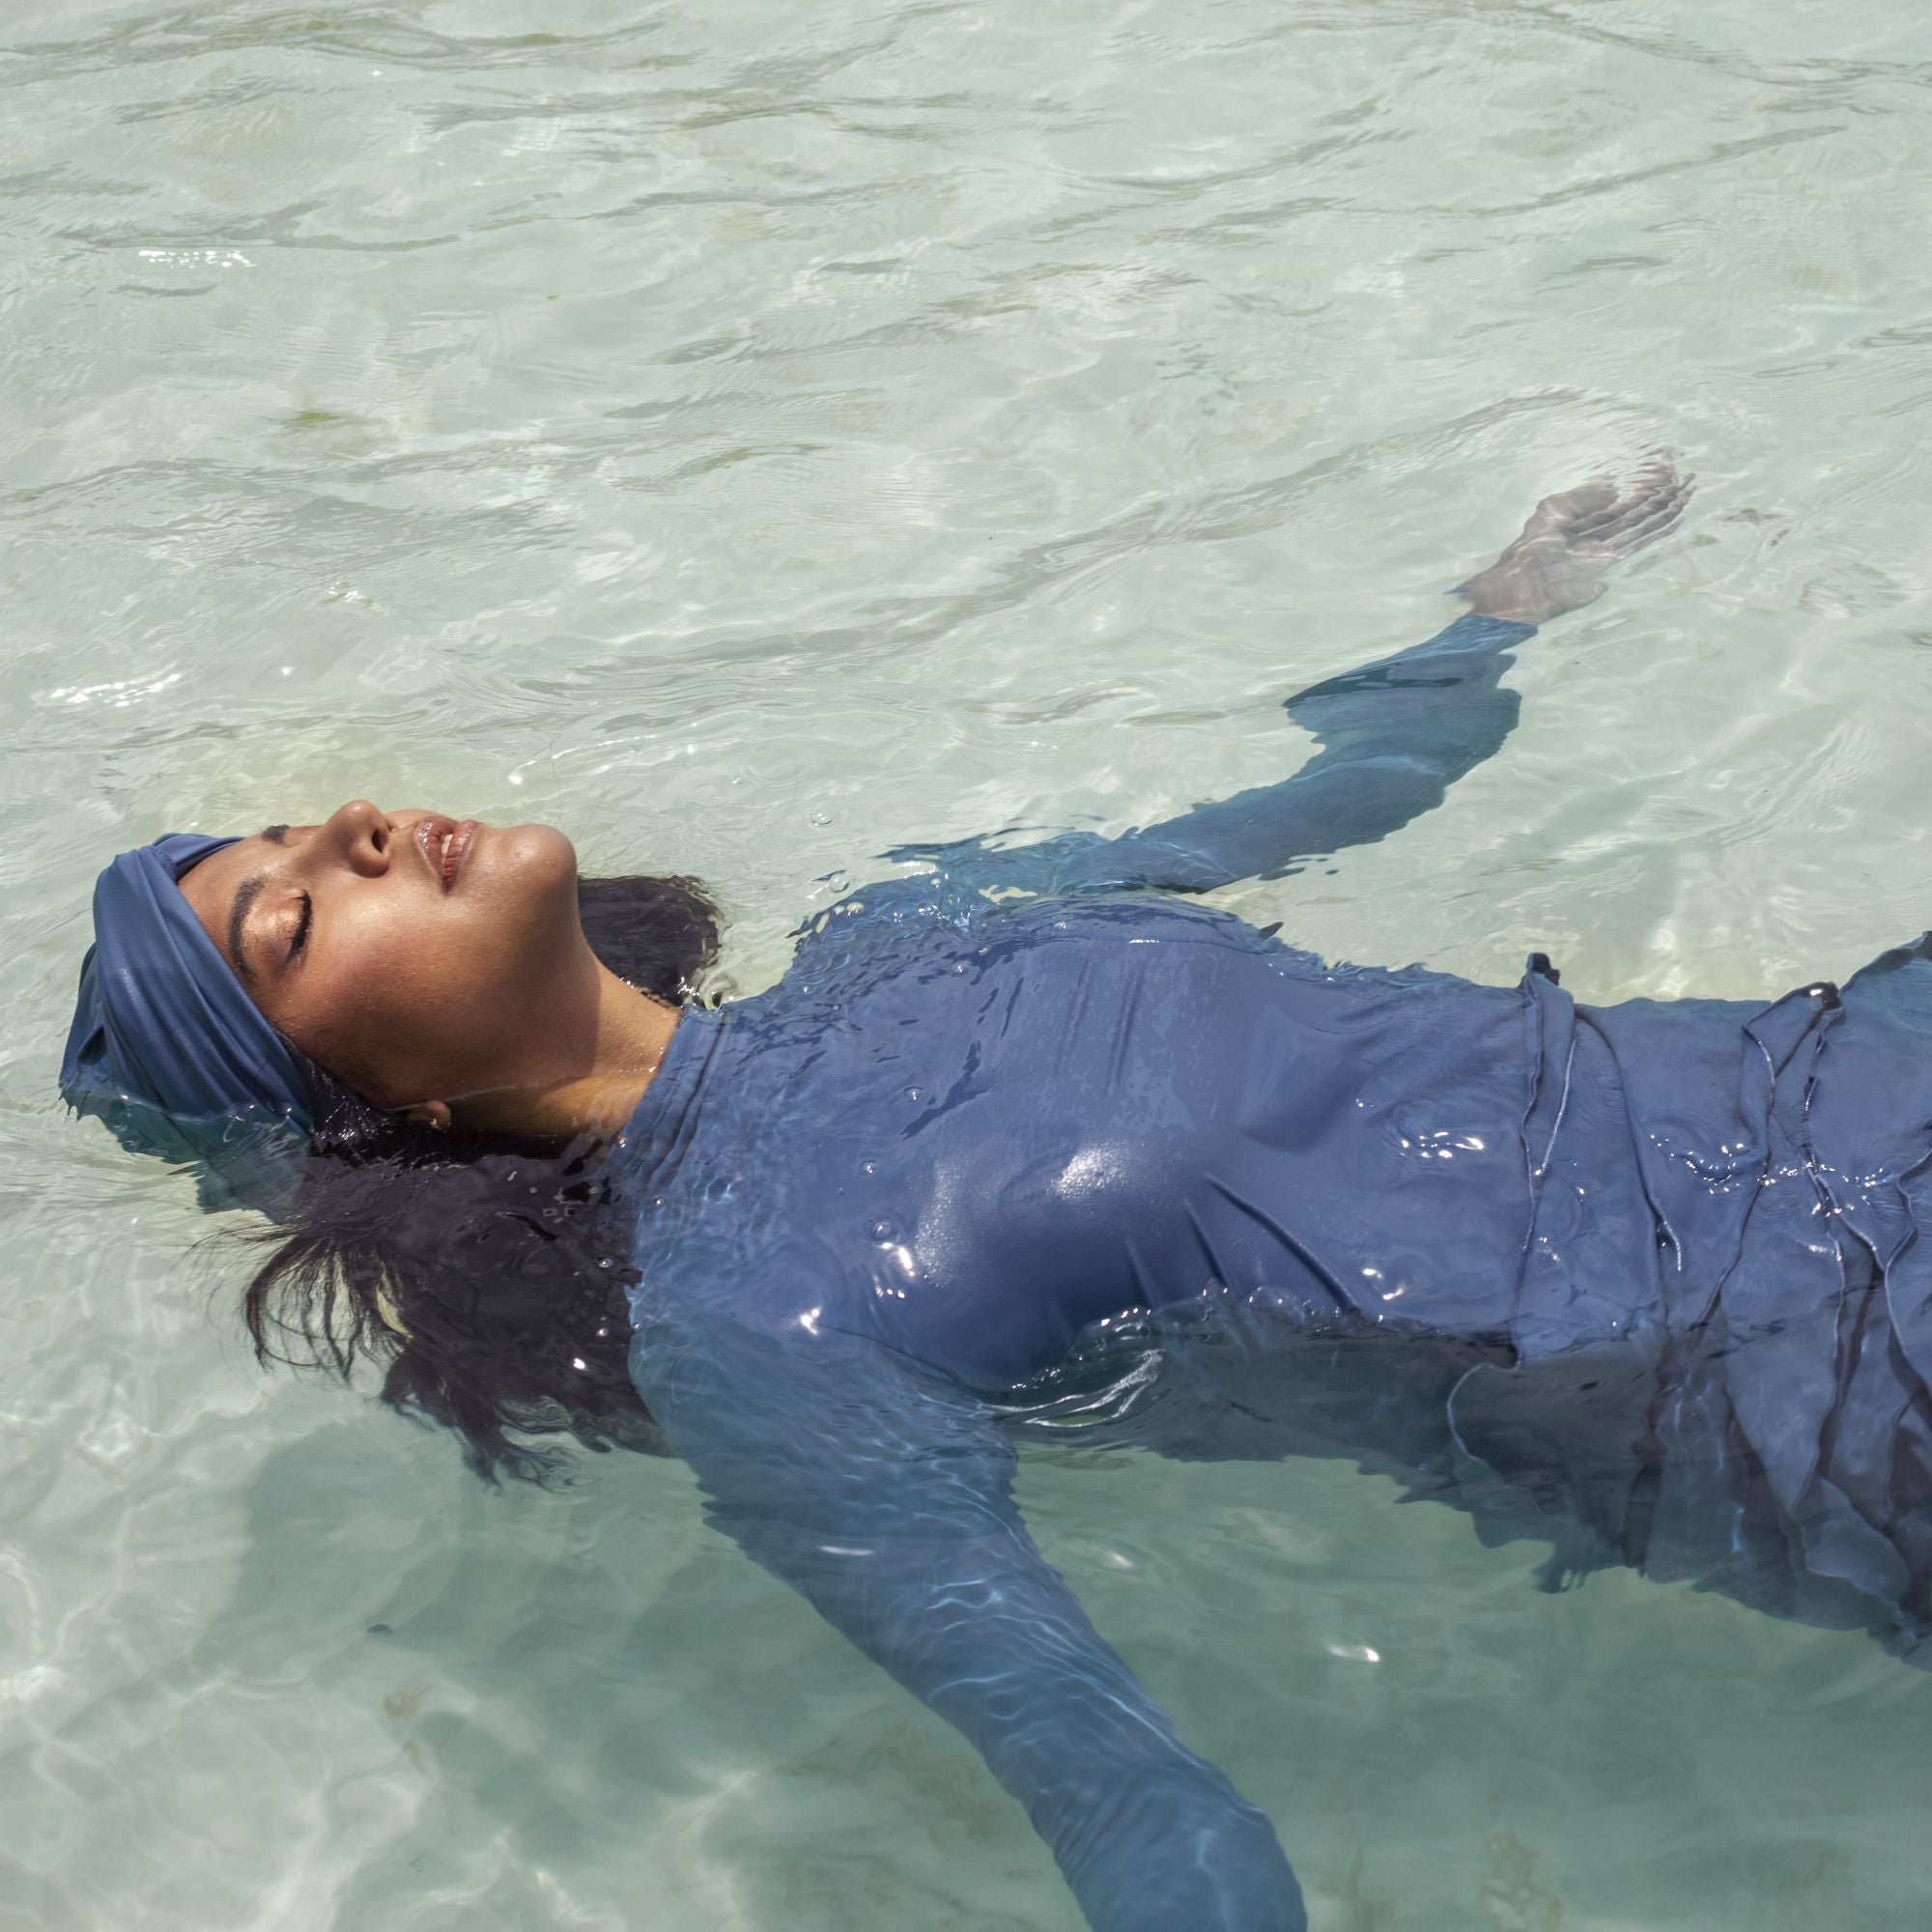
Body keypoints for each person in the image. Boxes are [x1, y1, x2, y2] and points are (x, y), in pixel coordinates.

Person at [73, 457, 1932, 1932]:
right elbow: (1126, 1789)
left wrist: (1507, 605)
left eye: (319, 824)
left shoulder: (919, 920)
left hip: (1857, 1067)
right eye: (300, 914)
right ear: (377, 1114)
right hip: (1808, 1395)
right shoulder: (750, 1329)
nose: (365, 828)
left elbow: (1336, 794)